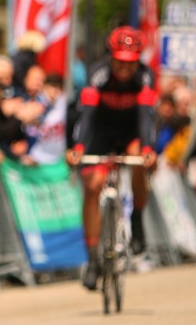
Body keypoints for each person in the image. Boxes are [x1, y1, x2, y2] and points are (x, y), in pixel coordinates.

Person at [65, 26, 157, 291]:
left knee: (139, 157)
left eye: (130, 63)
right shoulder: (98, 74)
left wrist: (149, 149)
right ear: (111, 57)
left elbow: (146, 117)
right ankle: (93, 259)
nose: (124, 69)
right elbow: (87, 116)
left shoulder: (145, 77)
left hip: (132, 132)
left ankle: (137, 218)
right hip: (101, 132)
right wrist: (79, 146)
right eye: (119, 61)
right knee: (93, 187)